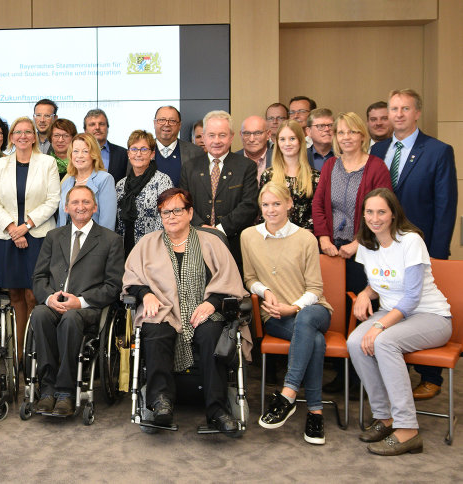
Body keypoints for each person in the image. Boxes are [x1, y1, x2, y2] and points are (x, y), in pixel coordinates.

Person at [123, 188, 249, 433]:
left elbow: (230, 282)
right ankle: (162, 403)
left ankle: (217, 409)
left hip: (204, 310)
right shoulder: (147, 244)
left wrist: (211, 303)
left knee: (211, 332)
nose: (171, 216)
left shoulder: (211, 241)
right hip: (163, 310)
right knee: (154, 329)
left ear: (190, 213)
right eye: (165, 212)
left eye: (177, 210)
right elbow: (131, 279)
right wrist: (145, 294)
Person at [347, 188, 452, 456]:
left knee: (384, 343)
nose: (375, 218)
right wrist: (364, 294)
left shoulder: (410, 241)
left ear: (393, 214)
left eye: (381, 211)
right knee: (356, 341)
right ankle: (385, 418)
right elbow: (379, 281)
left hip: (431, 317)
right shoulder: (367, 243)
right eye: (369, 212)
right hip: (394, 312)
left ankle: (407, 430)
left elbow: (412, 296)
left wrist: (380, 326)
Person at [369, 89, 457, 400]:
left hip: (423, 245)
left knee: (420, 304)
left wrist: (438, 251)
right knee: (392, 304)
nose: (398, 114)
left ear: (417, 113)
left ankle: (431, 377)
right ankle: (396, 375)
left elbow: (446, 205)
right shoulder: (378, 150)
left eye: (405, 108)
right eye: (394, 108)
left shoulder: (437, 151)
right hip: (385, 246)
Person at [242, 182, 333, 445]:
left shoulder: (305, 237)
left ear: (290, 204)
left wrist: (292, 307)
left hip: (313, 310)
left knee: (306, 320)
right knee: (314, 341)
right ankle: (315, 412)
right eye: (266, 205)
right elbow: (248, 278)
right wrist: (266, 291)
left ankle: (288, 393)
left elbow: (316, 288)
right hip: (274, 316)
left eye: (277, 204)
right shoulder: (249, 236)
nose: (271, 210)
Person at [312, 112, 392, 394]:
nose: (346, 137)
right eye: (341, 132)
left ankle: (362, 379)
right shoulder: (331, 165)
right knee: (338, 309)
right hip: (332, 251)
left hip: (365, 251)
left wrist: (358, 241)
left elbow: (382, 211)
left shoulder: (376, 167)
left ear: (362, 135)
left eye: (352, 132)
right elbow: (319, 205)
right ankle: (342, 372)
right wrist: (323, 238)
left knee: (362, 309)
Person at [29, 185, 124, 416]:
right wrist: (49, 297)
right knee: (39, 314)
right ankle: (48, 389)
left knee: (71, 318)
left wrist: (80, 302)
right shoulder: (53, 237)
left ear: (95, 207)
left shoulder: (111, 240)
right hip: (54, 304)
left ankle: (66, 391)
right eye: (75, 202)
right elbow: (39, 276)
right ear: (66, 207)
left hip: (87, 309)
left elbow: (113, 286)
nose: (80, 207)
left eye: (85, 202)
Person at [0, 116, 60, 355]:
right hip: (7, 237)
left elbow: (53, 200)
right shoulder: (0, 164)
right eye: (18, 132)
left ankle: (36, 352)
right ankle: (18, 354)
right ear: (11, 137)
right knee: (16, 295)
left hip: (38, 236)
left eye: (28, 132)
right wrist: (12, 228)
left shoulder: (47, 163)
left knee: (34, 295)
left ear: (34, 136)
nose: (23, 136)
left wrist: (26, 226)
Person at [179, 110, 259, 270]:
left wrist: (219, 230)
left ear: (231, 136)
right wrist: (201, 227)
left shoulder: (246, 166)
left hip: (234, 244)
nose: (216, 141)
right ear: (204, 137)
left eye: (222, 135)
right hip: (196, 242)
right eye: (211, 135)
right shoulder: (190, 167)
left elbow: (249, 205)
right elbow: (183, 203)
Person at [116, 129, 174, 256]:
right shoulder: (120, 185)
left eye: (144, 149)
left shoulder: (163, 181)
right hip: (123, 248)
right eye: (134, 149)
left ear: (152, 154)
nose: (138, 154)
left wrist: (151, 247)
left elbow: (165, 218)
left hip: (152, 250)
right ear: (128, 153)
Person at [259, 120, 320, 231]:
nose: (287, 144)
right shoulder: (268, 176)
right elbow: (262, 212)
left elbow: (316, 214)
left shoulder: (315, 177)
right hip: (274, 237)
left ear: (301, 141)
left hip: (304, 238)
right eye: (282, 139)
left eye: (292, 138)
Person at [56, 133, 117, 230]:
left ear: (94, 155)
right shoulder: (67, 182)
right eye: (75, 151)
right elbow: (61, 219)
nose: (79, 156)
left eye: (85, 151)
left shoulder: (105, 179)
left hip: (94, 241)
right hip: (66, 240)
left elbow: (107, 222)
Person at [152, 105, 203, 186]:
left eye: (172, 121)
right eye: (161, 120)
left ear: (179, 125)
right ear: (154, 123)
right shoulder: (140, 152)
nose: (166, 124)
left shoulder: (196, 152)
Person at [82, 109, 128, 182]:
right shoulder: (77, 154)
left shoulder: (123, 154)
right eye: (92, 124)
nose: (97, 127)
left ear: (107, 128)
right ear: (85, 130)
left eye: (101, 124)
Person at [237, 115, 273, 186]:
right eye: (247, 133)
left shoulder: (279, 158)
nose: (251, 139)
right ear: (241, 135)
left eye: (257, 133)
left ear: (268, 134)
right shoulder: (232, 161)